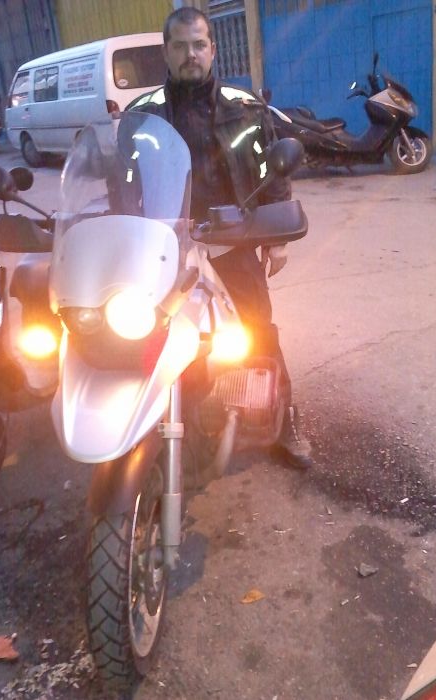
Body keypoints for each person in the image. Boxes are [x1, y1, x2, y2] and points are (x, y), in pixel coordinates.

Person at [131, 7, 312, 469]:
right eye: (180, 46)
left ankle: (282, 417)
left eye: (199, 45)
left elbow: (271, 167)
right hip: (166, 248)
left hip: (233, 240)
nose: (190, 54)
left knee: (257, 333)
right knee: (161, 334)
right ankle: (179, 419)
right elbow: (124, 181)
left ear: (212, 49)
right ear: (166, 52)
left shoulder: (244, 105)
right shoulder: (142, 113)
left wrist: (276, 235)